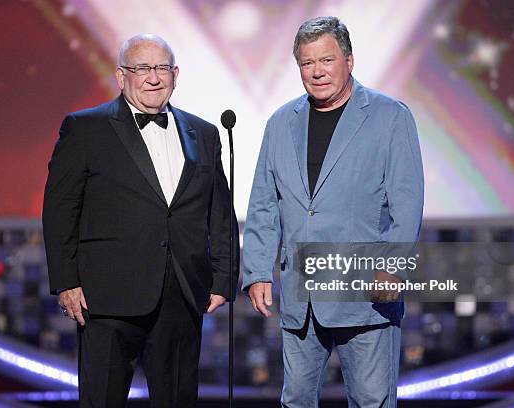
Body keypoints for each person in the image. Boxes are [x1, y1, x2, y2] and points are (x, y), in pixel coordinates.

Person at [42, 34, 239, 408]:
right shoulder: (85, 129)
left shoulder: (205, 133)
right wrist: (66, 282)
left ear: (175, 74)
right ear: (121, 76)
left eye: (161, 68)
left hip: (181, 294)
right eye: (141, 68)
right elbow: (60, 210)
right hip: (106, 298)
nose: (152, 77)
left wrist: (224, 278)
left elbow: (220, 212)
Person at [242, 17, 424, 407]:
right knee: (295, 402)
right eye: (307, 63)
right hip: (301, 295)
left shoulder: (390, 117)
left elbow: (407, 203)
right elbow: (263, 204)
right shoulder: (280, 123)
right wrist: (257, 271)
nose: (317, 71)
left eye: (326, 59)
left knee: (372, 402)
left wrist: (393, 266)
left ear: (349, 60)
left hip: (366, 293)